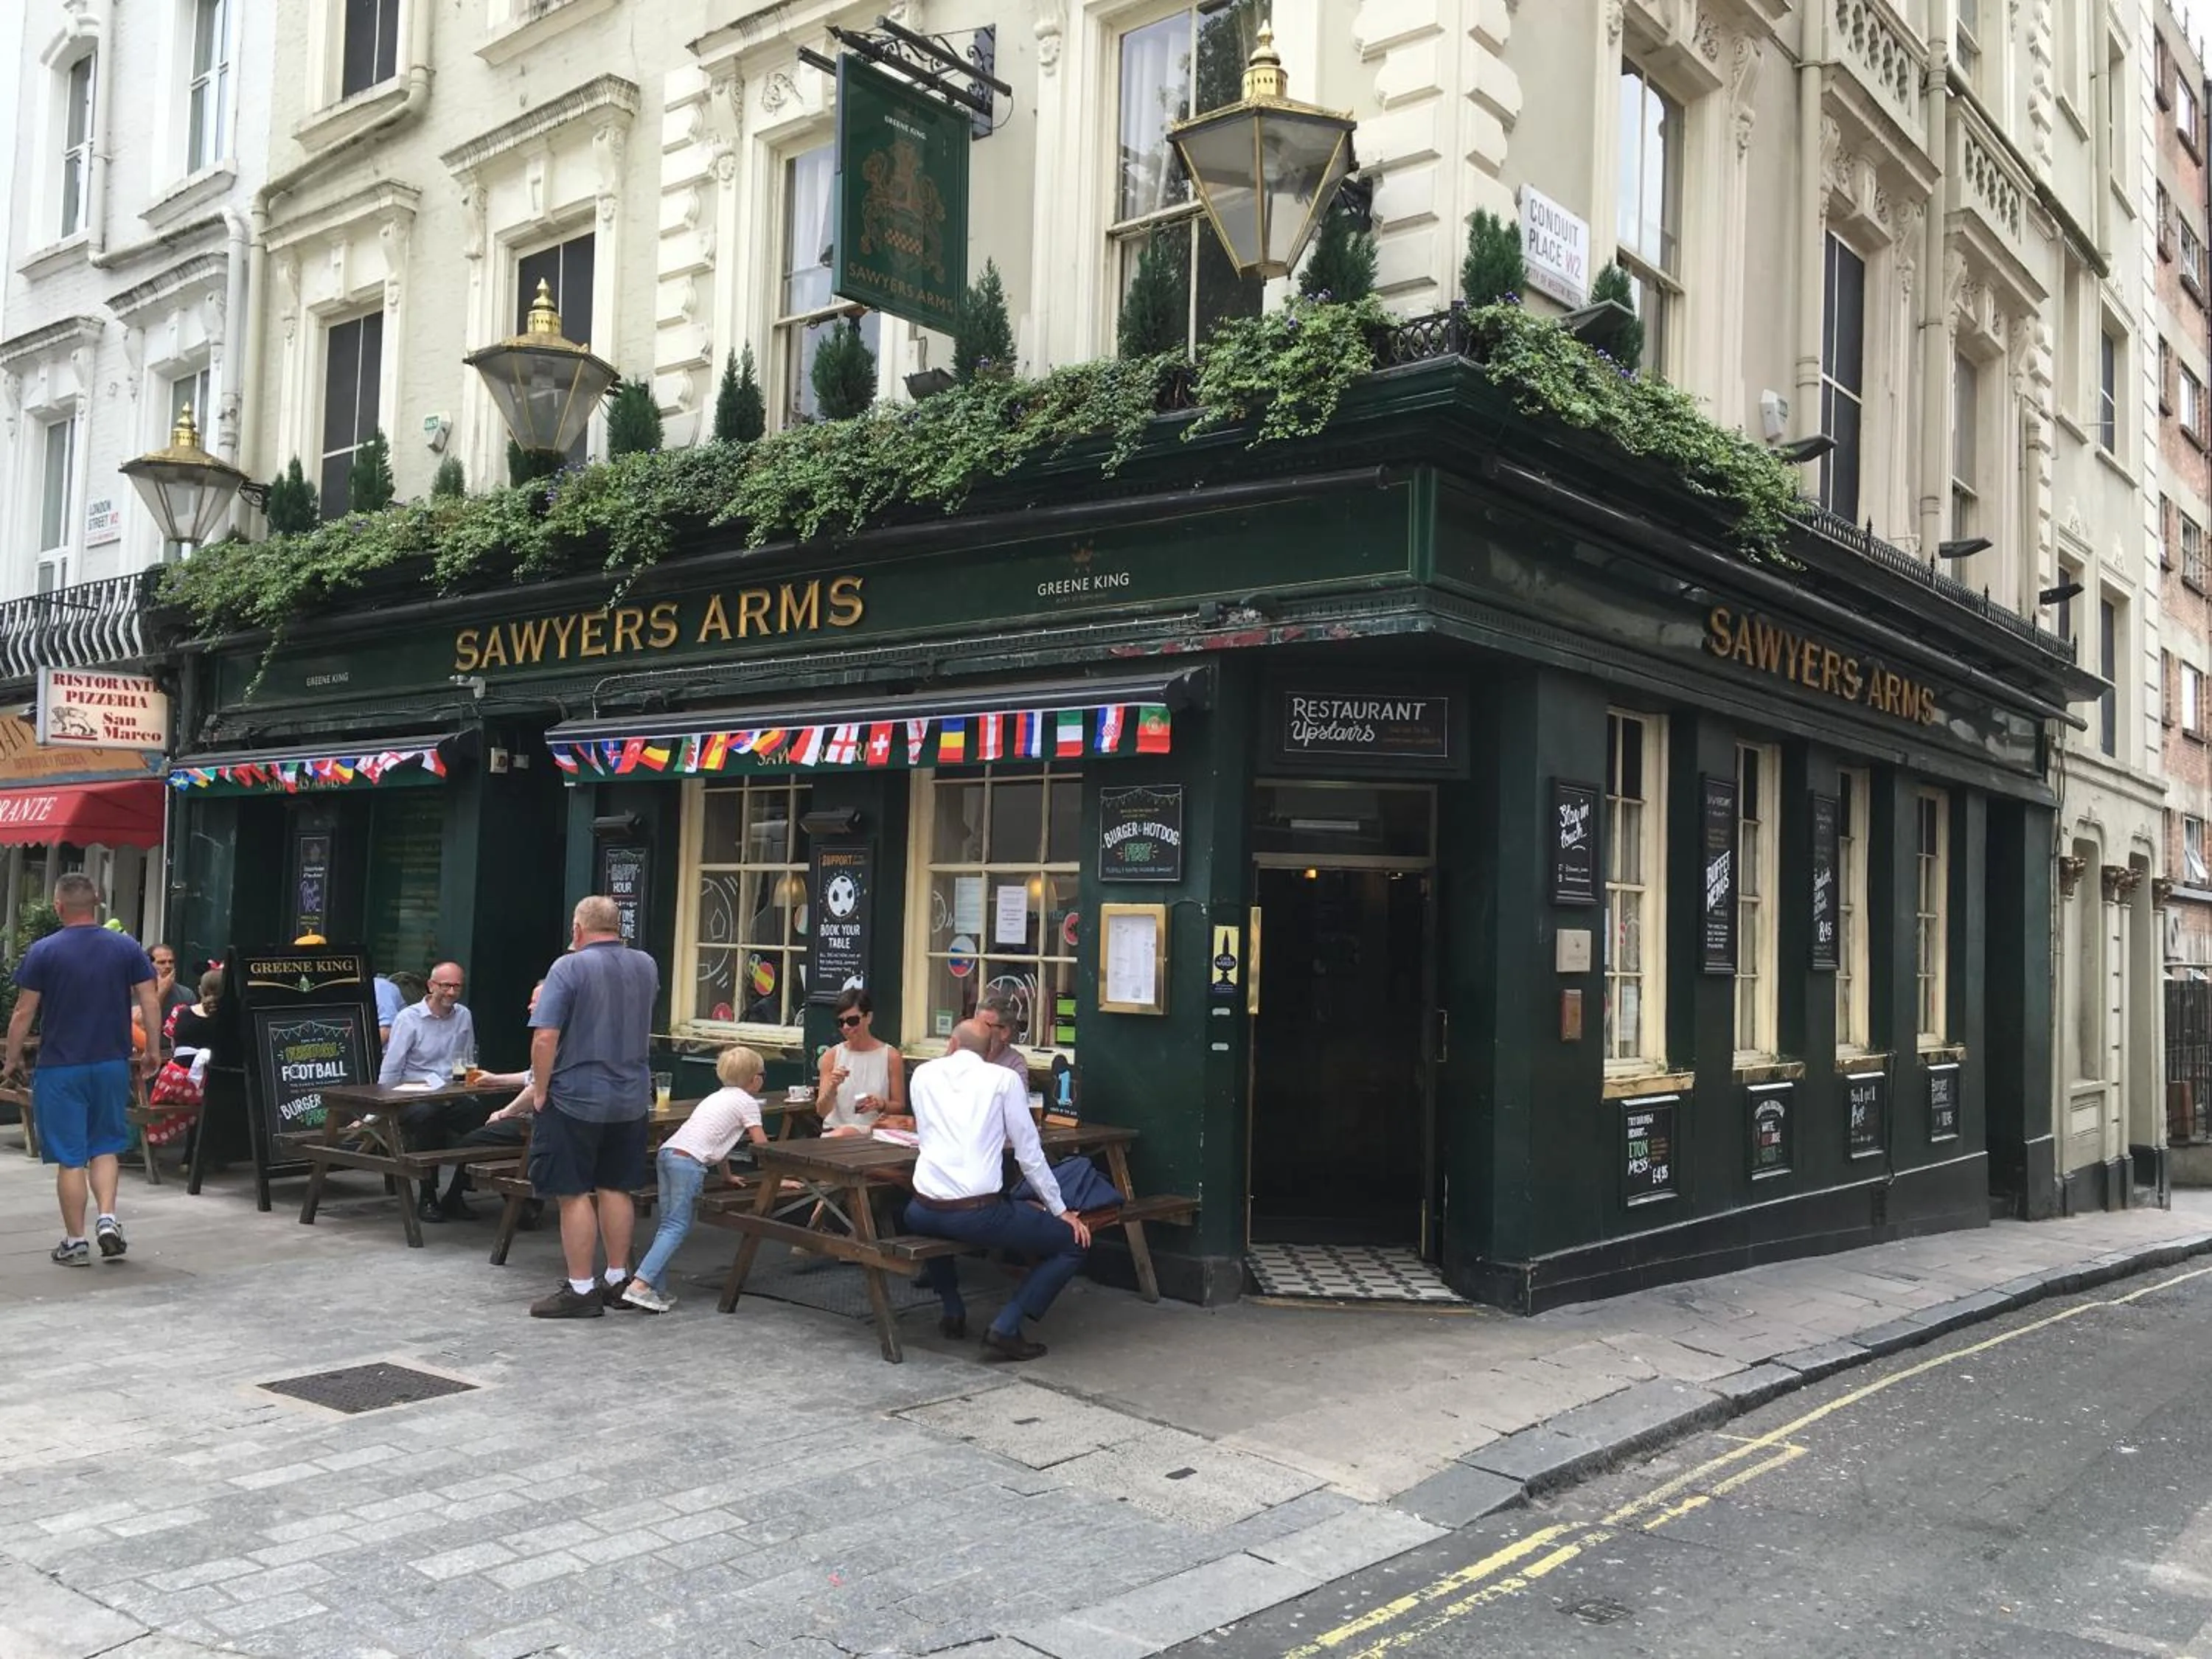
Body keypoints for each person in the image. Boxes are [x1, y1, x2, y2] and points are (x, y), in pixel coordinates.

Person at [904, 1019, 1091, 1360]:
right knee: (1070, 1244)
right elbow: (1029, 1153)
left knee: (940, 1230)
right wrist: (1061, 1211)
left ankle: (953, 1310)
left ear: (951, 1045)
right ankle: (1006, 1326)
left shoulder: (921, 1075)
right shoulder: (1002, 1080)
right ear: (990, 1051)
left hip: (920, 1210)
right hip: (976, 1214)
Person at [4, 875, 162, 1266]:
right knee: (105, 1145)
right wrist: (154, 1049)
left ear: (59, 906)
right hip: (110, 1062)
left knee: (71, 1157)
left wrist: (11, 1059)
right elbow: (150, 998)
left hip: (60, 1066)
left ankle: (75, 1242)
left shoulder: (43, 952)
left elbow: (24, 1011)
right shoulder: (126, 948)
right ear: (96, 904)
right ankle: (108, 1219)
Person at [522, 895, 658, 1319]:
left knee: (573, 1190)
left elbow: (545, 1037)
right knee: (617, 1186)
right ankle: (619, 1279)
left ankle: (581, 1289)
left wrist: (540, 1091)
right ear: (619, 929)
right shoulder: (646, 964)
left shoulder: (569, 967)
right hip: (632, 1095)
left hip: (577, 1094)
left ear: (577, 930)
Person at [622, 1046, 769, 1312]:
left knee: (668, 1225)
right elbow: (762, 1145)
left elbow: (716, 1139)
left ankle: (656, 1289)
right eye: (762, 1074)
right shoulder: (747, 1103)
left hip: (668, 1154)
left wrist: (726, 1175)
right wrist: (777, 1180)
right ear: (753, 1078)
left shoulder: (716, 1097)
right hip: (689, 1163)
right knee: (677, 1226)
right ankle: (639, 1285)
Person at [378, 962, 481, 1222]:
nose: (451, 992)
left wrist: (469, 1089)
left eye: (457, 986)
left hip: (450, 1092)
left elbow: (468, 1059)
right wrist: (381, 1106)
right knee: (428, 1117)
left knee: (479, 1117)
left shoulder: (463, 1015)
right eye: (445, 986)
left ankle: (456, 1194)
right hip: (413, 1097)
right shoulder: (409, 1018)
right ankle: (427, 1196)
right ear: (431, 985)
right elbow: (392, 1066)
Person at [436, 981, 544, 1219]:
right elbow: (533, 1075)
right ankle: (521, 1205)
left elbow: (539, 1086)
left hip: (542, 1123)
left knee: (470, 1143)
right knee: (482, 1134)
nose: (529, 1006)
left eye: (535, 1001)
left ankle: (517, 1202)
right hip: (548, 1121)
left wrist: (506, 1112)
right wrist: (495, 1080)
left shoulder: (549, 1036)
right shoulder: (559, 1032)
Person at [145, 970, 223, 1148]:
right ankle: (202, 1154)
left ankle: (167, 1146)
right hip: (208, 1084)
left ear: (199, 990)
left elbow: (173, 1044)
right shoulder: (226, 1019)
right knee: (219, 1097)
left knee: (201, 1100)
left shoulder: (180, 1012)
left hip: (174, 1083)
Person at [815, 988, 905, 1138]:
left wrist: (881, 1104)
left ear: (868, 1017)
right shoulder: (831, 1056)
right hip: (835, 1132)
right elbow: (822, 1111)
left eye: (852, 1021)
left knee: (845, 1133)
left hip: (873, 1134)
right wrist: (832, 1087)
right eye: (840, 1022)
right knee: (842, 1133)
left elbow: (899, 1107)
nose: (846, 1027)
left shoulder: (891, 1056)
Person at [977, 991, 1032, 1084]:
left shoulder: (1015, 1063)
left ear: (1004, 1032)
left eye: (985, 1026)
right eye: (976, 1024)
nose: (978, 1030)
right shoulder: (965, 1053)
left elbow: (1019, 1097)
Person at [150, 946, 195, 1018]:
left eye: (171, 962)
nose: (168, 966)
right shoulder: (137, 992)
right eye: (162, 962)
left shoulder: (186, 995)